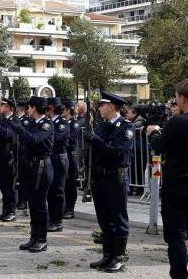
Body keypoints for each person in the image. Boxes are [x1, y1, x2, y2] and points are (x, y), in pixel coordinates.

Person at [147, 79, 188, 279]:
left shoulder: (179, 121)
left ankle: (179, 274)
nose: (175, 101)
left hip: (178, 185)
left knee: (176, 236)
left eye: (176, 97)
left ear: (183, 98)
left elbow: (160, 146)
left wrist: (152, 133)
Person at [83, 90, 134, 272]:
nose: (100, 108)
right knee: (104, 218)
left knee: (118, 217)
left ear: (112, 106)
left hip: (116, 177)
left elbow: (116, 152)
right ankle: (107, 255)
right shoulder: (102, 126)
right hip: (100, 176)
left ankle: (118, 257)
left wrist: (95, 140)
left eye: (102, 105)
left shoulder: (126, 128)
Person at [10, 96, 54, 253]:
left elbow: (34, 139)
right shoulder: (33, 123)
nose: (27, 110)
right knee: (33, 205)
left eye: (29, 107)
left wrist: (19, 129)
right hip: (30, 166)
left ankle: (42, 239)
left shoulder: (47, 124)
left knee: (40, 205)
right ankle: (34, 237)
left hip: (41, 167)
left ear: (34, 108)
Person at [46, 97, 70, 233]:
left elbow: (56, 138)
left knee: (58, 191)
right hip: (50, 158)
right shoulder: (48, 122)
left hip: (59, 159)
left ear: (52, 108)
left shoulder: (62, 123)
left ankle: (58, 221)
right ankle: (51, 219)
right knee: (50, 191)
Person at [0, 97, 18, 222]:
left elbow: (6, 135)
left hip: (10, 158)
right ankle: (5, 210)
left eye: (2, 105)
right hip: (1, 157)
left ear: (9, 107)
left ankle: (11, 211)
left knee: (9, 187)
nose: (0, 107)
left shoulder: (14, 120)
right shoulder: (3, 120)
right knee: (3, 186)